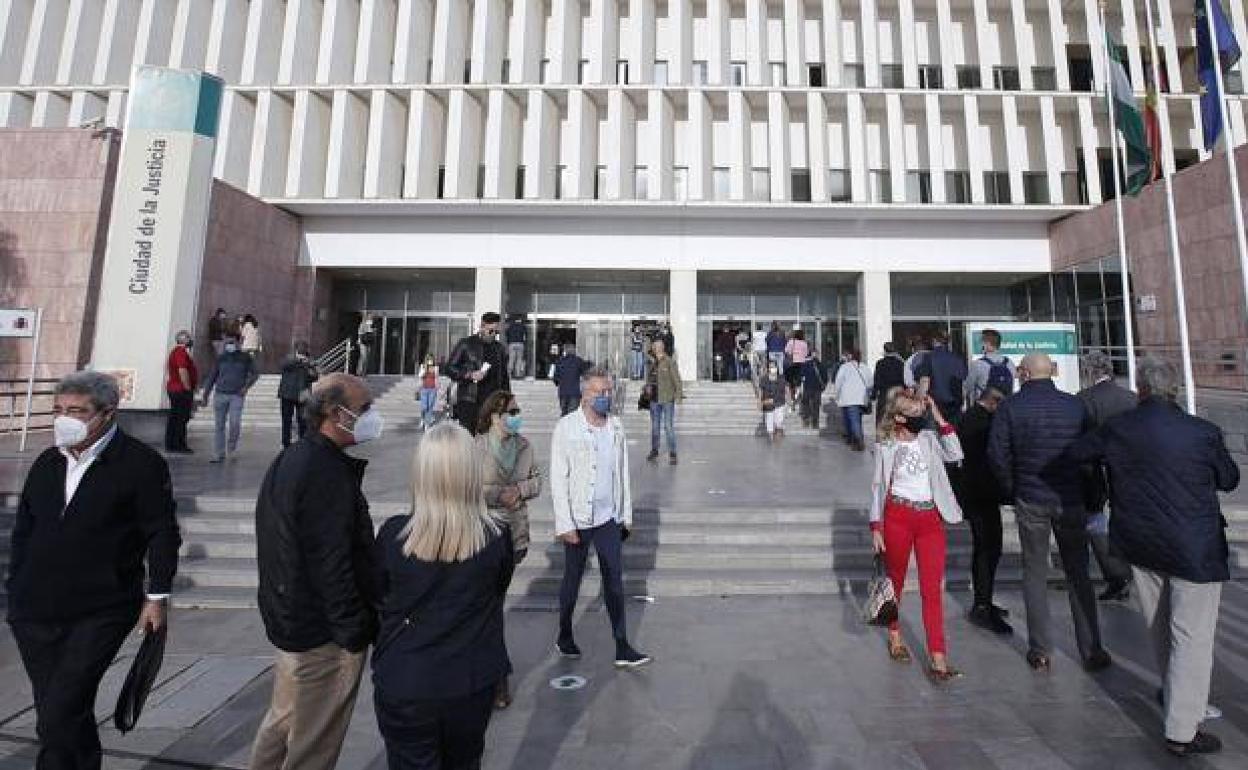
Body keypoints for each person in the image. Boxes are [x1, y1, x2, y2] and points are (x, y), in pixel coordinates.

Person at [6, 371, 180, 770]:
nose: (64, 419)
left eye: (77, 411)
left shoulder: (140, 464)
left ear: (107, 414)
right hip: (33, 610)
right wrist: (15, 589)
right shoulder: (48, 461)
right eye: (59, 410)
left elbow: (161, 531)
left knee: (59, 710)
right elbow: (25, 529)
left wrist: (157, 595)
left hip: (101, 608)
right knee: (62, 709)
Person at [1065, 357, 1239, 758]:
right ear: (1174, 389)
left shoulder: (1120, 429)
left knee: (1161, 628)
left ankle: (1174, 696)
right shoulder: (1201, 432)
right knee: (1191, 636)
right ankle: (1181, 726)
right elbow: (1229, 479)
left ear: (1140, 389)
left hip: (1142, 543)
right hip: (1194, 545)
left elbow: (1076, 453)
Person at [250, 373, 381, 770]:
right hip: (322, 634)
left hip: (294, 622)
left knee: (284, 722)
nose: (371, 417)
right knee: (313, 743)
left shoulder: (297, 457)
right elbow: (331, 560)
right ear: (333, 413)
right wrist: (352, 630)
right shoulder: (321, 471)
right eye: (363, 409)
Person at [371, 423, 515, 768]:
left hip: (407, 678)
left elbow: (378, 597)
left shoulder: (394, 535)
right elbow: (497, 590)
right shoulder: (495, 537)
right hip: (469, 679)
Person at [988, 353, 1110, 673]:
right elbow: (1091, 456)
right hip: (1070, 498)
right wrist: (1092, 495)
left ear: (1025, 374)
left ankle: (1040, 649)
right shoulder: (1075, 406)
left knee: (1034, 572)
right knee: (1078, 573)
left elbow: (997, 454)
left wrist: (1011, 488)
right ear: (1050, 372)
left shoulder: (1011, 407)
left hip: (1031, 497)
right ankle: (1092, 648)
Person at [550, 366, 650, 668]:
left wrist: (626, 515)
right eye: (599, 392)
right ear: (584, 393)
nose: (605, 396)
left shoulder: (616, 427)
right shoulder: (566, 427)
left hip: (608, 519)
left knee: (614, 583)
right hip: (579, 519)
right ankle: (564, 632)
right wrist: (565, 524)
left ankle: (621, 645)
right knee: (572, 579)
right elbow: (558, 477)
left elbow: (622, 475)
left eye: (608, 391)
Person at [869, 390, 963, 681]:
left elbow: (956, 453)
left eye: (921, 413)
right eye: (914, 414)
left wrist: (937, 415)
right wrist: (876, 526)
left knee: (931, 588)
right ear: (898, 418)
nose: (920, 419)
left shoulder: (929, 439)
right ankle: (895, 636)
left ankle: (938, 656)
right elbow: (877, 487)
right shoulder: (886, 445)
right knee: (895, 582)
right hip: (898, 516)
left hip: (930, 518)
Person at [475, 391, 543, 709]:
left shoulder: (525, 446)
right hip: (483, 535)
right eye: (510, 412)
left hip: (514, 537)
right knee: (489, 610)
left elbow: (537, 482)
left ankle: (495, 678)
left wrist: (520, 490)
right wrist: (498, 495)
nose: (516, 416)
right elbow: (467, 488)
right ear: (494, 416)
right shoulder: (476, 447)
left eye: (518, 410)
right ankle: (495, 678)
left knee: (491, 608)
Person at [1077, 350, 1138, 602]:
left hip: (1094, 469)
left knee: (1096, 522)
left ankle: (1115, 575)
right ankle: (1132, 571)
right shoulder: (1131, 398)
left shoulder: (1083, 399)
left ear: (1090, 372)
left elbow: (1079, 438)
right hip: (1130, 469)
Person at [953, 386, 1012, 635]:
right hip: (980, 494)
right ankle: (981, 604)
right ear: (994, 402)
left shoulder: (972, 417)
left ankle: (984, 599)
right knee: (987, 547)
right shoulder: (979, 422)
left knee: (989, 547)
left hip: (979, 493)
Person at [445, 312, 511, 435]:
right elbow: (449, 368)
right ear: (482, 326)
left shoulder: (499, 348)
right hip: (469, 401)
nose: (493, 335)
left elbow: (504, 378)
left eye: (496, 332)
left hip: (492, 404)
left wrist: (508, 401)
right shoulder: (466, 344)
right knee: (468, 439)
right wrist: (470, 375)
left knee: (490, 440)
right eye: (491, 331)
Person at [201, 334, 259, 463]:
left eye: (232, 342)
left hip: (236, 395)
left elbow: (255, 374)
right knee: (219, 426)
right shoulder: (220, 358)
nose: (229, 344)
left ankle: (231, 448)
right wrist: (205, 395)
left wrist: (246, 387)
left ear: (238, 343)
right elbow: (212, 377)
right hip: (220, 394)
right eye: (227, 342)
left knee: (235, 423)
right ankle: (218, 453)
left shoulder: (245, 358)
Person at [916, 329, 967, 424]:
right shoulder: (957, 358)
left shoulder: (928, 358)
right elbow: (963, 383)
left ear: (934, 341)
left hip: (936, 404)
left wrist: (919, 401)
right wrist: (964, 404)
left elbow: (924, 382)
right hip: (955, 404)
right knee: (952, 434)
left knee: (936, 434)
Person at [645, 339, 683, 465]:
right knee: (655, 428)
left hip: (667, 399)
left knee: (668, 427)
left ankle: (673, 453)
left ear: (663, 347)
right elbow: (649, 379)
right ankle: (654, 450)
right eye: (655, 346)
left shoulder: (669, 362)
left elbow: (677, 379)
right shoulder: (651, 362)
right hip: (654, 400)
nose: (657, 348)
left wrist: (678, 395)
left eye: (659, 346)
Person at [277, 341, 319, 448]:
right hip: (287, 393)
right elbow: (283, 365)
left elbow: (315, 376)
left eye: (304, 348)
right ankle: (286, 443)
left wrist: (310, 367)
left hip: (303, 394)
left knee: (303, 420)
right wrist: (298, 360)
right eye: (300, 348)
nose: (303, 350)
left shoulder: (310, 360)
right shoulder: (289, 358)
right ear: (296, 348)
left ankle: (303, 442)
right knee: (286, 419)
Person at [832, 349, 872, 451]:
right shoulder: (865, 367)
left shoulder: (845, 367)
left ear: (851, 356)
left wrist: (837, 394)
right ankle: (852, 438)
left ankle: (858, 441)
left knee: (852, 420)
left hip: (848, 398)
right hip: (861, 398)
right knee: (855, 419)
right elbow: (870, 383)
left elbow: (838, 382)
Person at [165, 329, 198, 453]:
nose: (190, 340)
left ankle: (171, 443)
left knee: (175, 417)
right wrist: (188, 388)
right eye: (189, 338)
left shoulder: (176, 352)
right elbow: (182, 370)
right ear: (184, 340)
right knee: (181, 418)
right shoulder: (180, 352)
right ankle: (179, 444)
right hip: (180, 390)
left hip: (175, 389)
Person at [964, 328, 1015, 406]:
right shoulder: (1009, 363)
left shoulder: (978, 364)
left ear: (986, 344)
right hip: (1004, 408)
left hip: (984, 409)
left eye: (981, 342)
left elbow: (967, 388)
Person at [553, 344, 590, 416]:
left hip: (563, 392)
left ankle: (564, 426)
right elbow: (585, 372)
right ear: (574, 350)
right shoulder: (578, 361)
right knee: (572, 414)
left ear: (565, 351)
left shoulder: (560, 362)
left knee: (564, 412)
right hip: (574, 392)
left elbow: (556, 379)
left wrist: (559, 382)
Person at [873, 342, 907, 418]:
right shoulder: (900, 363)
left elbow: (877, 380)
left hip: (884, 394)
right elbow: (904, 379)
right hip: (897, 394)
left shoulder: (880, 363)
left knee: (882, 417)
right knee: (897, 417)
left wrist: (874, 394)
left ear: (885, 351)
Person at [758, 361, 787, 442]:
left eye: (774, 367)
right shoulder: (764, 379)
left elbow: (786, 389)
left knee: (779, 421)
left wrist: (789, 400)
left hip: (779, 402)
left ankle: (777, 434)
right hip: (768, 402)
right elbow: (761, 390)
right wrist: (760, 401)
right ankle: (771, 438)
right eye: (770, 367)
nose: (772, 369)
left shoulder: (781, 378)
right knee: (769, 421)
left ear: (777, 368)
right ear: (768, 369)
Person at [799, 352, 829, 429]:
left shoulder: (805, 365)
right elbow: (825, 377)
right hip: (817, 388)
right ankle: (815, 423)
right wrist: (823, 386)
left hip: (807, 387)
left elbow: (801, 376)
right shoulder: (821, 365)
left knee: (806, 405)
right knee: (816, 406)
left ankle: (806, 421)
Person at [783, 329, 810, 401]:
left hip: (792, 363)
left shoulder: (791, 341)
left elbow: (786, 351)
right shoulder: (804, 343)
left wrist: (793, 353)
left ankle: (793, 396)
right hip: (802, 363)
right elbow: (806, 354)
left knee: (791, 380)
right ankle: (798, 393)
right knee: (799, 379)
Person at [416, 354, 440, 430]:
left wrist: (437, 386)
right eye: (429, 359)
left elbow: (436, 378)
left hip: (432, 389)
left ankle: (427, 423)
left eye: (431, 359)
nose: (430, 361)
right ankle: (422, 419)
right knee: (424, 407)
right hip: (424, 388)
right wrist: (425, 370)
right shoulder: (423, 366)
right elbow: (420, 376)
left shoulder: (436, 367)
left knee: (429, 407)